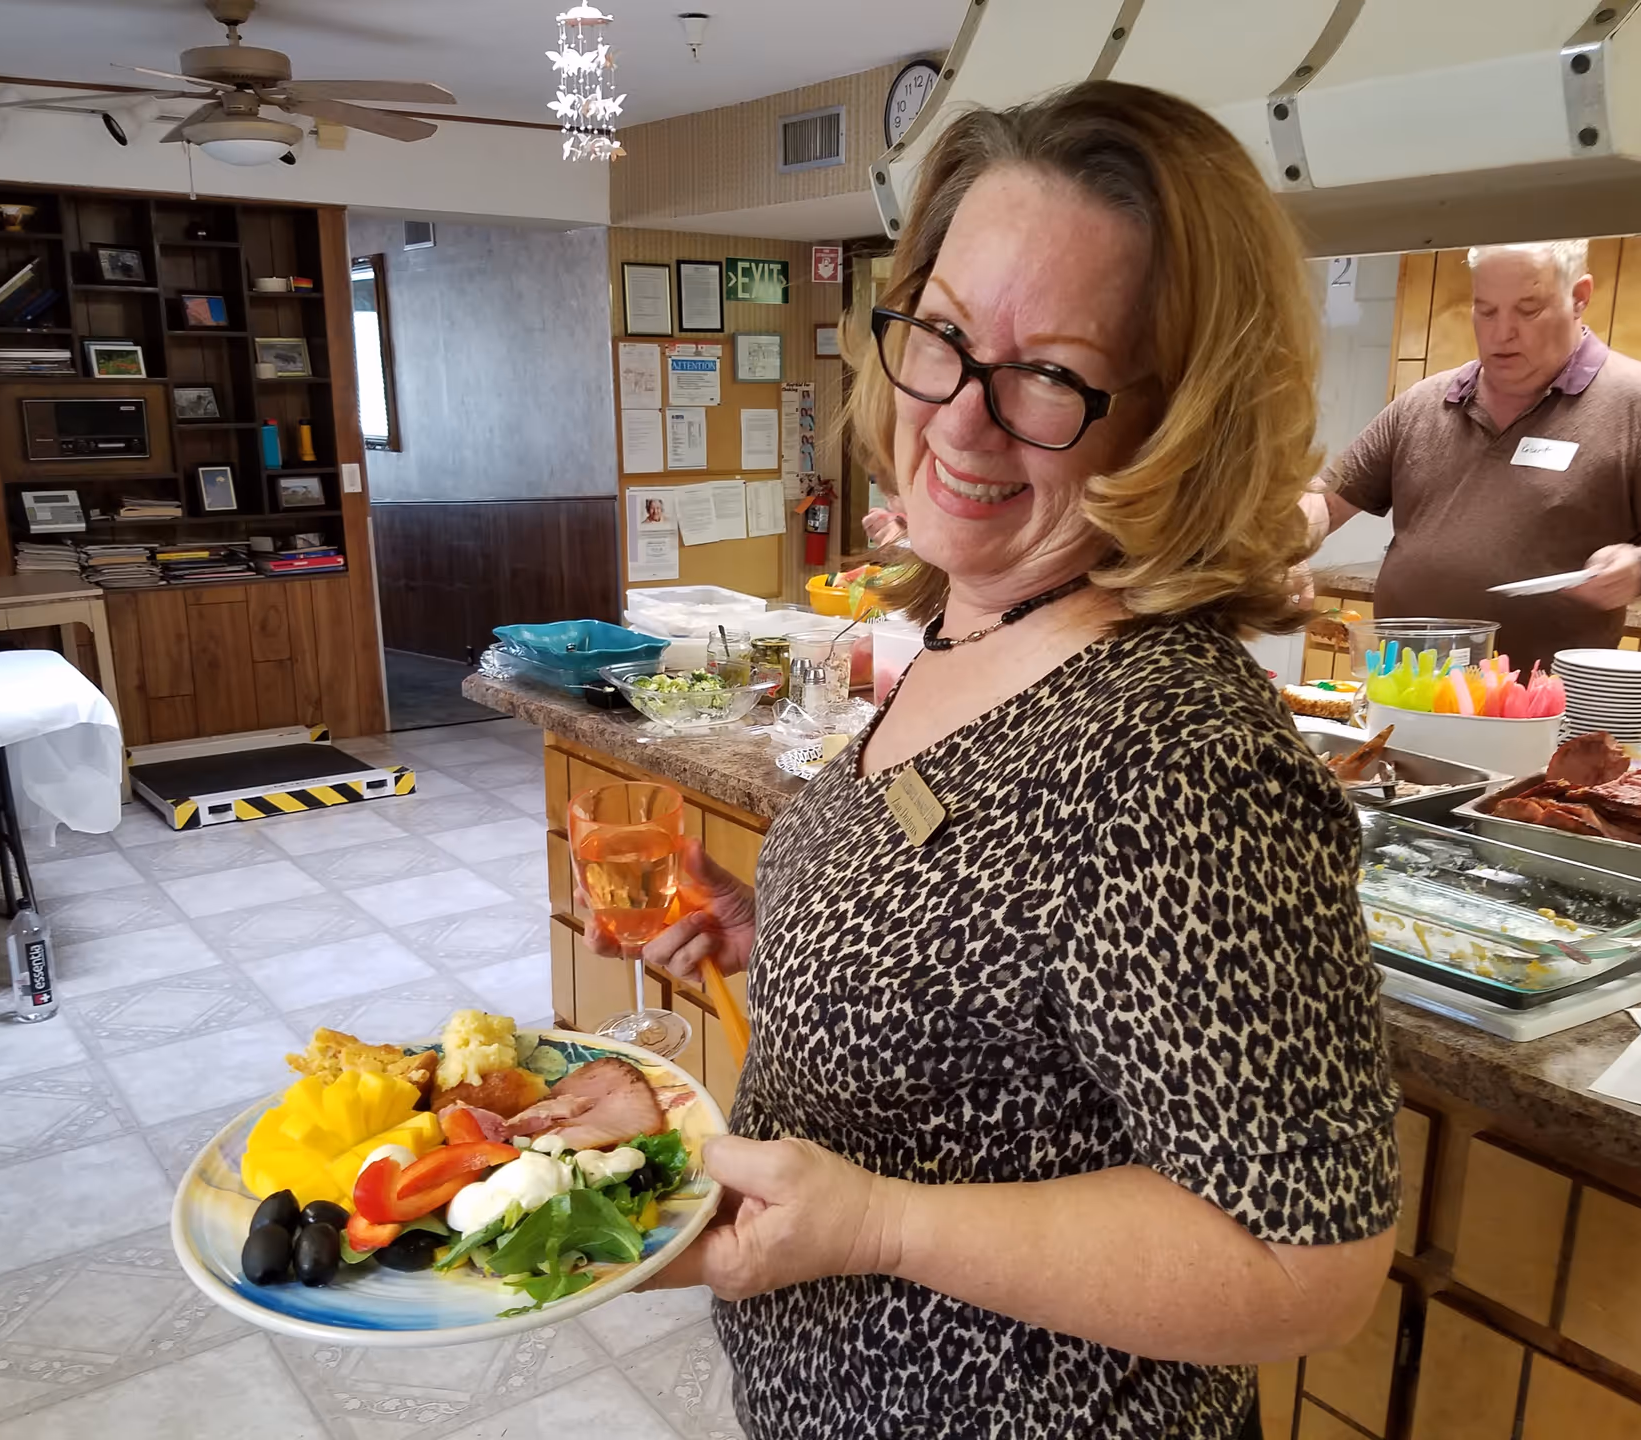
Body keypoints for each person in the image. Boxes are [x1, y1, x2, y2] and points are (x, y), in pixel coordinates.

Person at [588, 82, 1399, 1439]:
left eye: (1051, 375)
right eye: (947, 337)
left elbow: (1308, 1267)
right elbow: (990, 960)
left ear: (1174, 418)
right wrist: (776, 926)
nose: (960, 420)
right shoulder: (967, 624)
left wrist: (889, 1227)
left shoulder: (1180, 762)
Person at [1303, 241, 1641, 673]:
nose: (1501, 332)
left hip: (1540, 713)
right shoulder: (1426, 403)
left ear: (1579, 297)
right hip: (1403, 691)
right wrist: (1285, 551)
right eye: (1485, 311)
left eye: (1528, 310)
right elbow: (1324, 502)